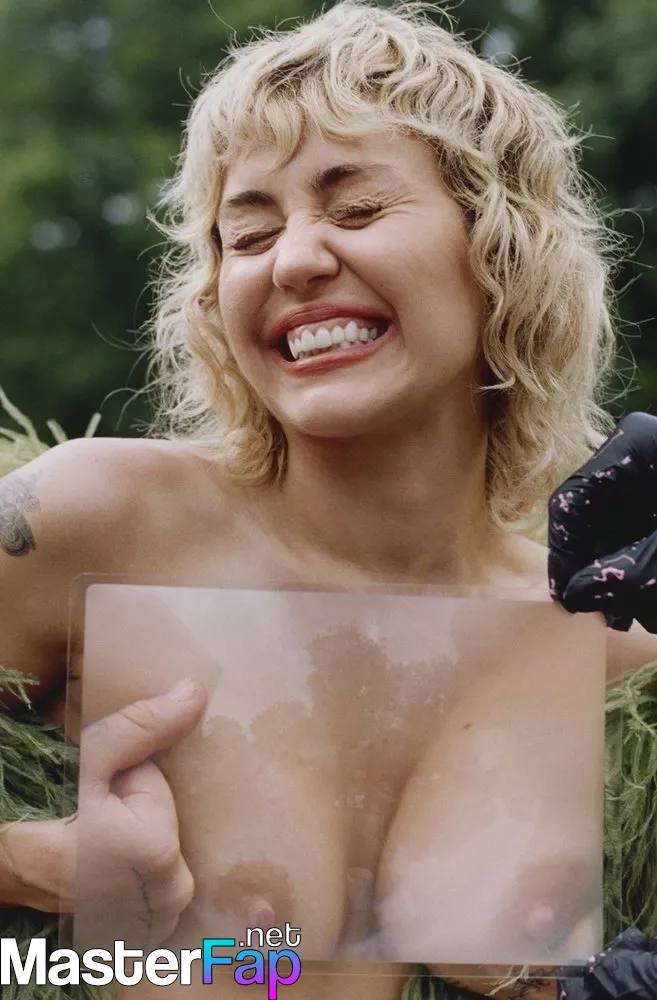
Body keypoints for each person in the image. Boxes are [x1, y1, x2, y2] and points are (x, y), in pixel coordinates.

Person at [1, 2, 656, 998]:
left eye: (356, 211)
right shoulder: (99, 522)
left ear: (501, 247)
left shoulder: (608, 642)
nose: (294, 260)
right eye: (249, 232)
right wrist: (31, 862)